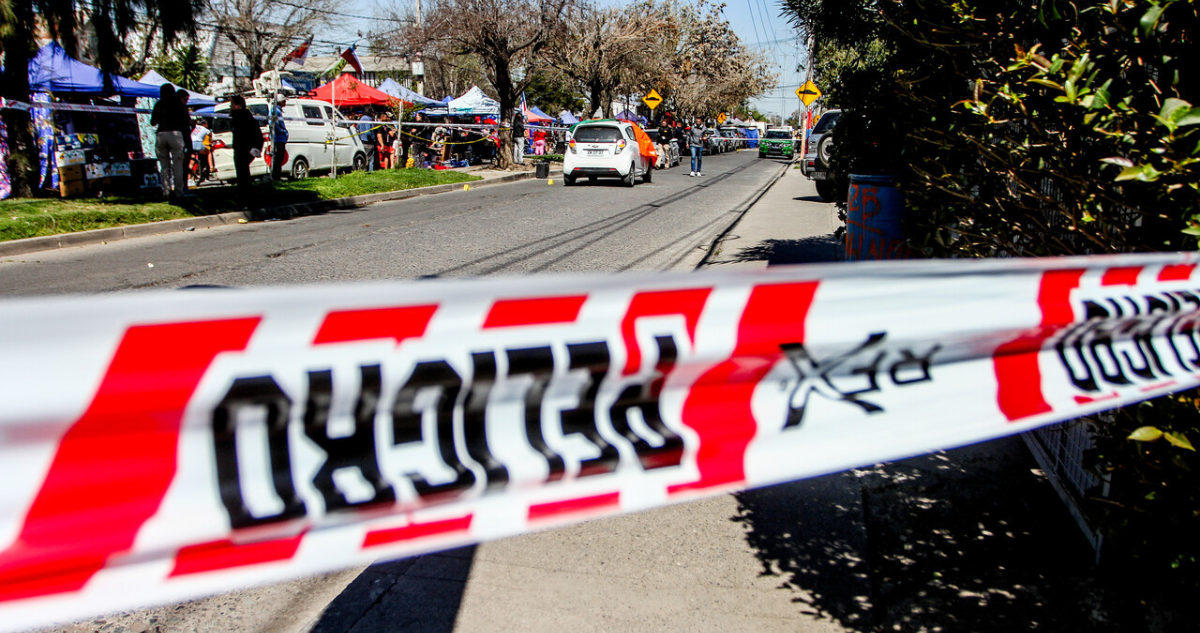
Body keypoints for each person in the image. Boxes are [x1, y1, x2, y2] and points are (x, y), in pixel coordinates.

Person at [150, 83, 190, 199]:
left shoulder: (158, 104)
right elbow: (186, 122)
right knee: (178, 165)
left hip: (161, 134)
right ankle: (179, 191)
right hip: (176, 134)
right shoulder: (180, 105)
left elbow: (153, 122)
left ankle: (166, 191)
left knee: (164, 166)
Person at [229, 95, 262, 190]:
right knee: (242, 173)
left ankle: (245, 193)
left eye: (232, 104)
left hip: (243, 149)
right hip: (241, 148)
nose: (230, 106)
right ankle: (244, 191)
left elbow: (252, 134)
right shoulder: (240, 117)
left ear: (238, 105)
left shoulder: (243, 118)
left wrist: (252, 148)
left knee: (243, 173)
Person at [270, 94, 289, 181]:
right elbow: (273, 124)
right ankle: (275, 177)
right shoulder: (275, 111)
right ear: (280, 101)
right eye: (284, 101)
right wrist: (282, 131)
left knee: (279, 158)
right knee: (277, 158)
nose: (285, 103)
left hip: (280, 138)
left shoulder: (278, 110)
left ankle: (277, 176)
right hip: (278, 138)